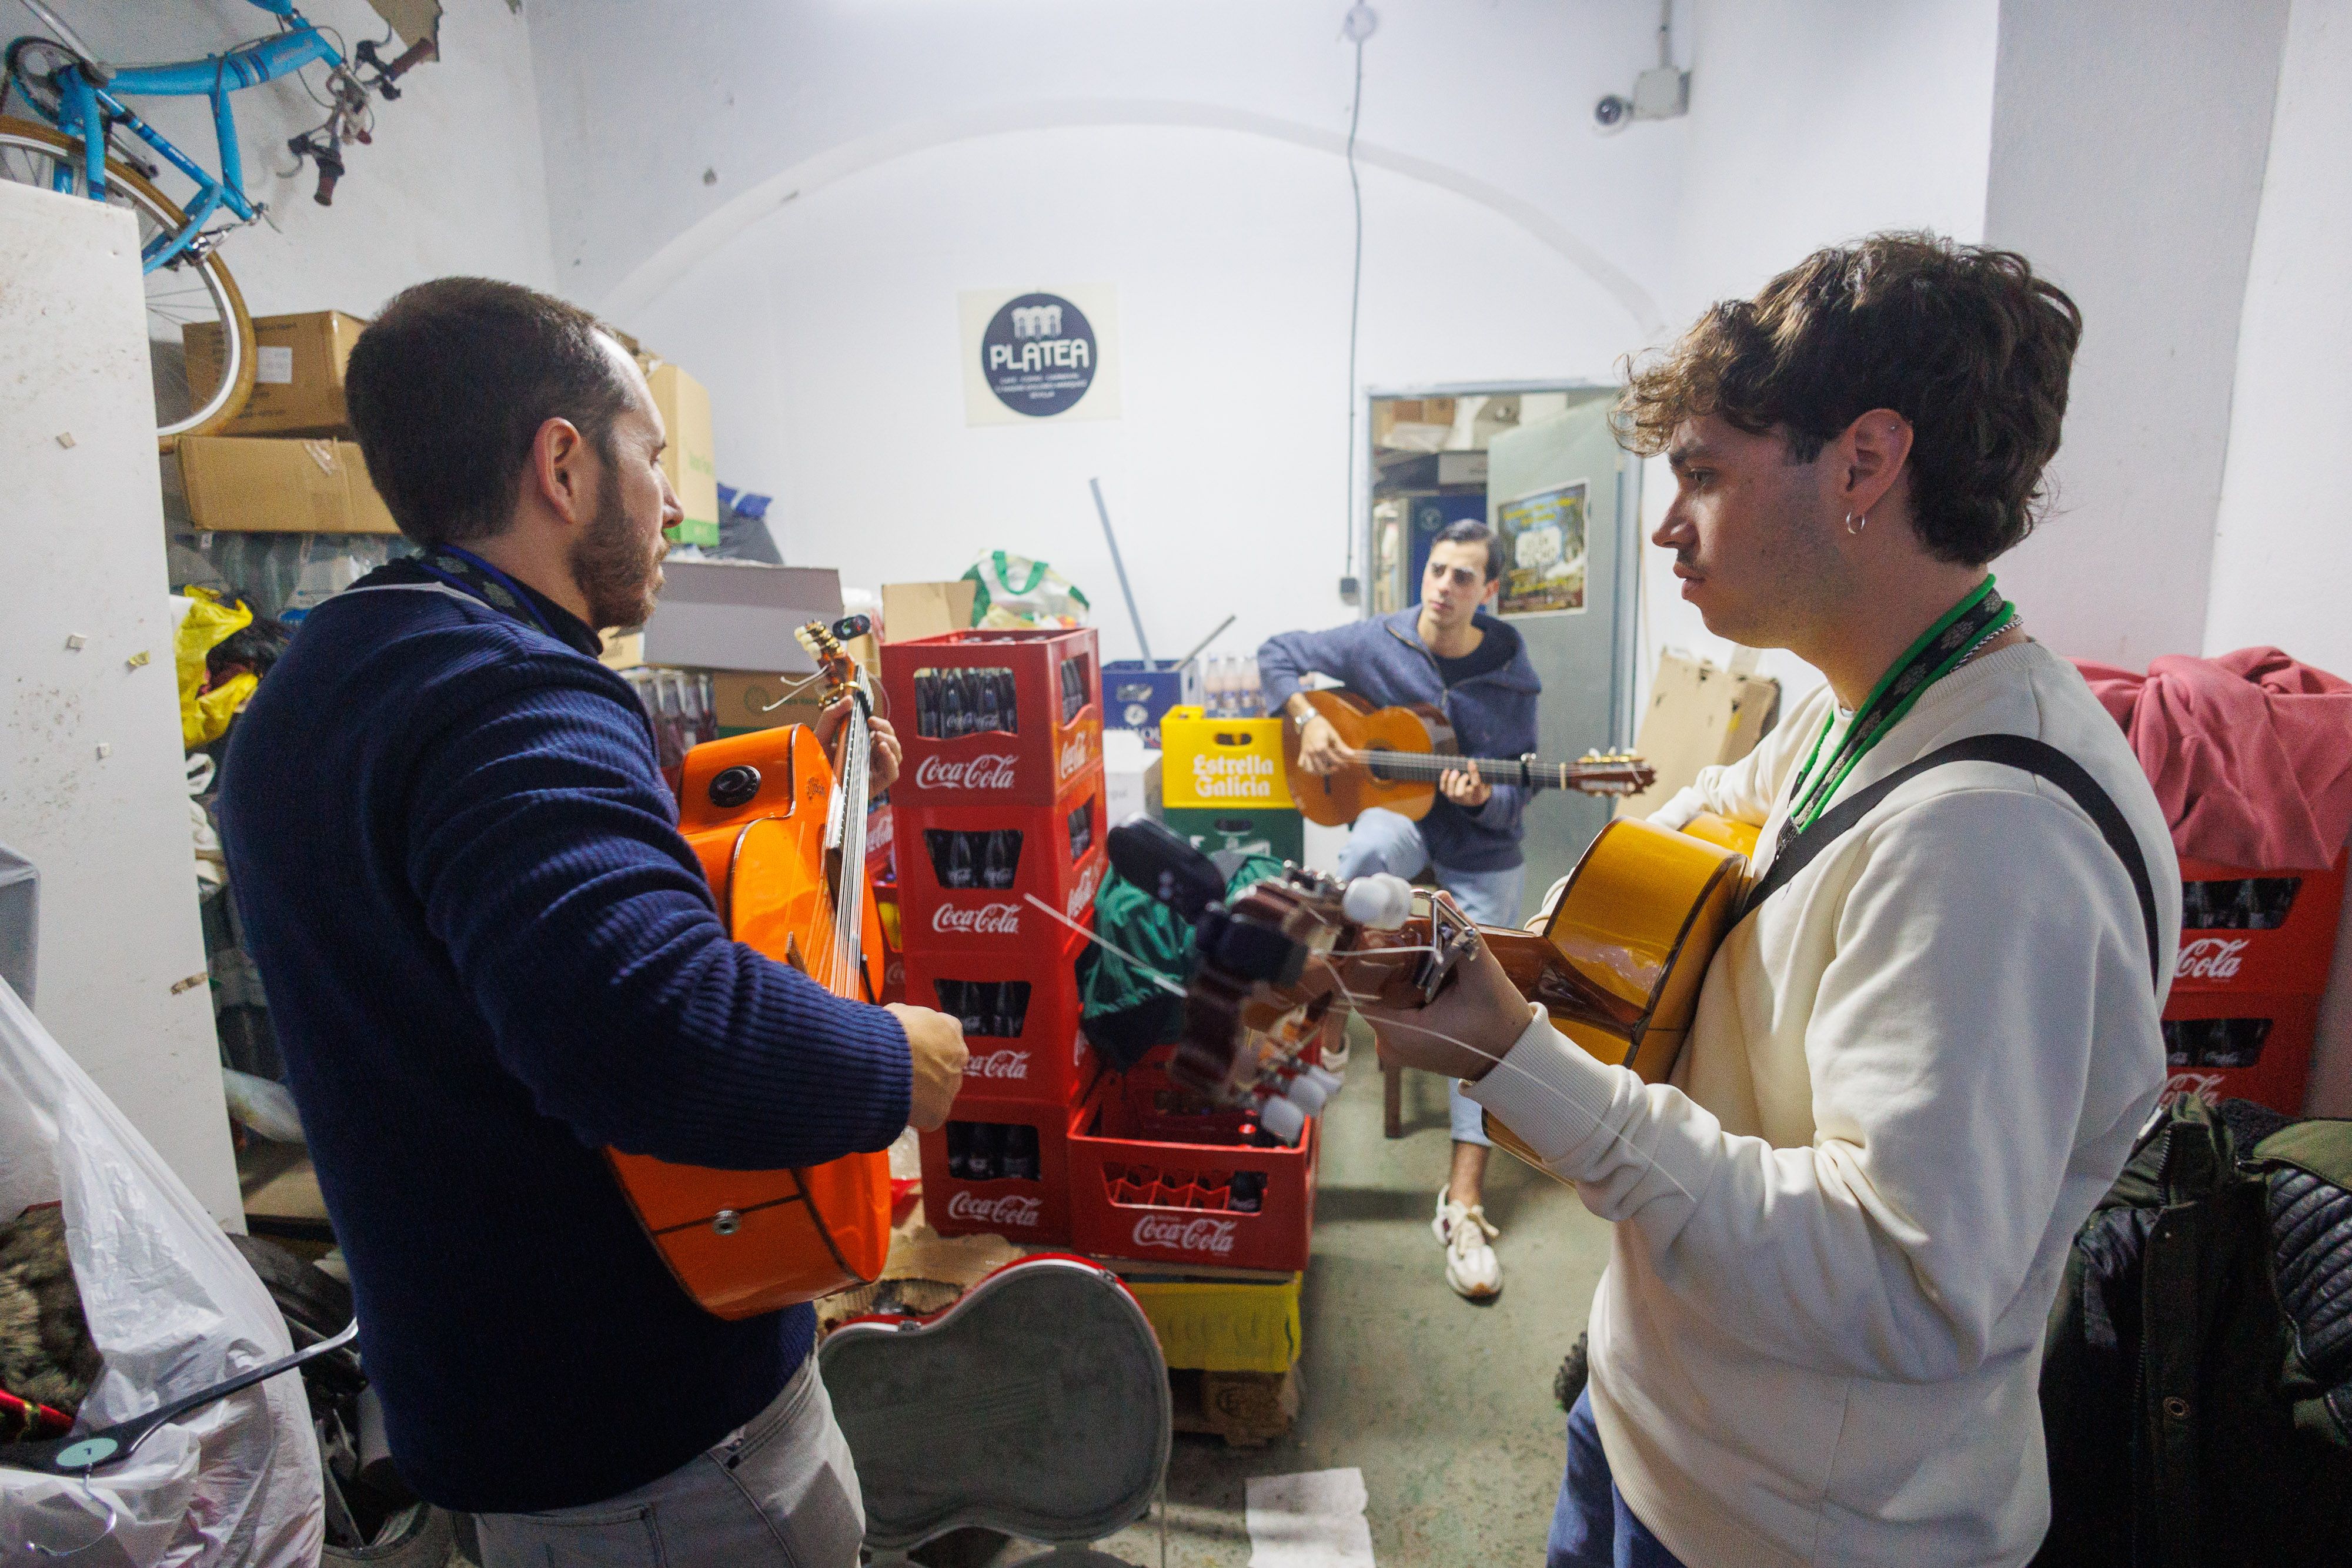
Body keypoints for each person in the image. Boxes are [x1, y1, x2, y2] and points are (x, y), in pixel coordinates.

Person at [1361, 234, 2180, 1566]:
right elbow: (1694, 875)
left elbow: (1902, 1284)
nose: (1666, 523)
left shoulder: (1991, 836)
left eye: (1701, 475)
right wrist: (1484, 956)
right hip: (1653, 1428)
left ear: (1861, 463)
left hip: (1788, 1529)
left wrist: (1514, 1061)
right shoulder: (1856, 707)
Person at [218, 278, 969, 1566]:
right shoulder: (508, 699)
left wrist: (812, 786)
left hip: (492, 1398)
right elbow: (652, 1029)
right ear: (562, 464)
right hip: (657, 1446)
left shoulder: (329, 679)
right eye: (649, 455)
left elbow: (508, 917)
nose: (671, 501)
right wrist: (895, 1062)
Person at [1257, 520, 1541, 1299]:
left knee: (1487, 1004)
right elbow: (1277, 654)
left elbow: (1520, 785)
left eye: (1463, 578)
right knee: (1366, 854)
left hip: (1480, 848)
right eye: (1437, 570)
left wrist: (1486, 795)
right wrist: (1309, 718)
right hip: (1404, 819)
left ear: (1489, 593)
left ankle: (1463, 1203)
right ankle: (1338, 1008)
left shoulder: (1510, 670)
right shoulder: (1373, 642)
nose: (1443, 587)